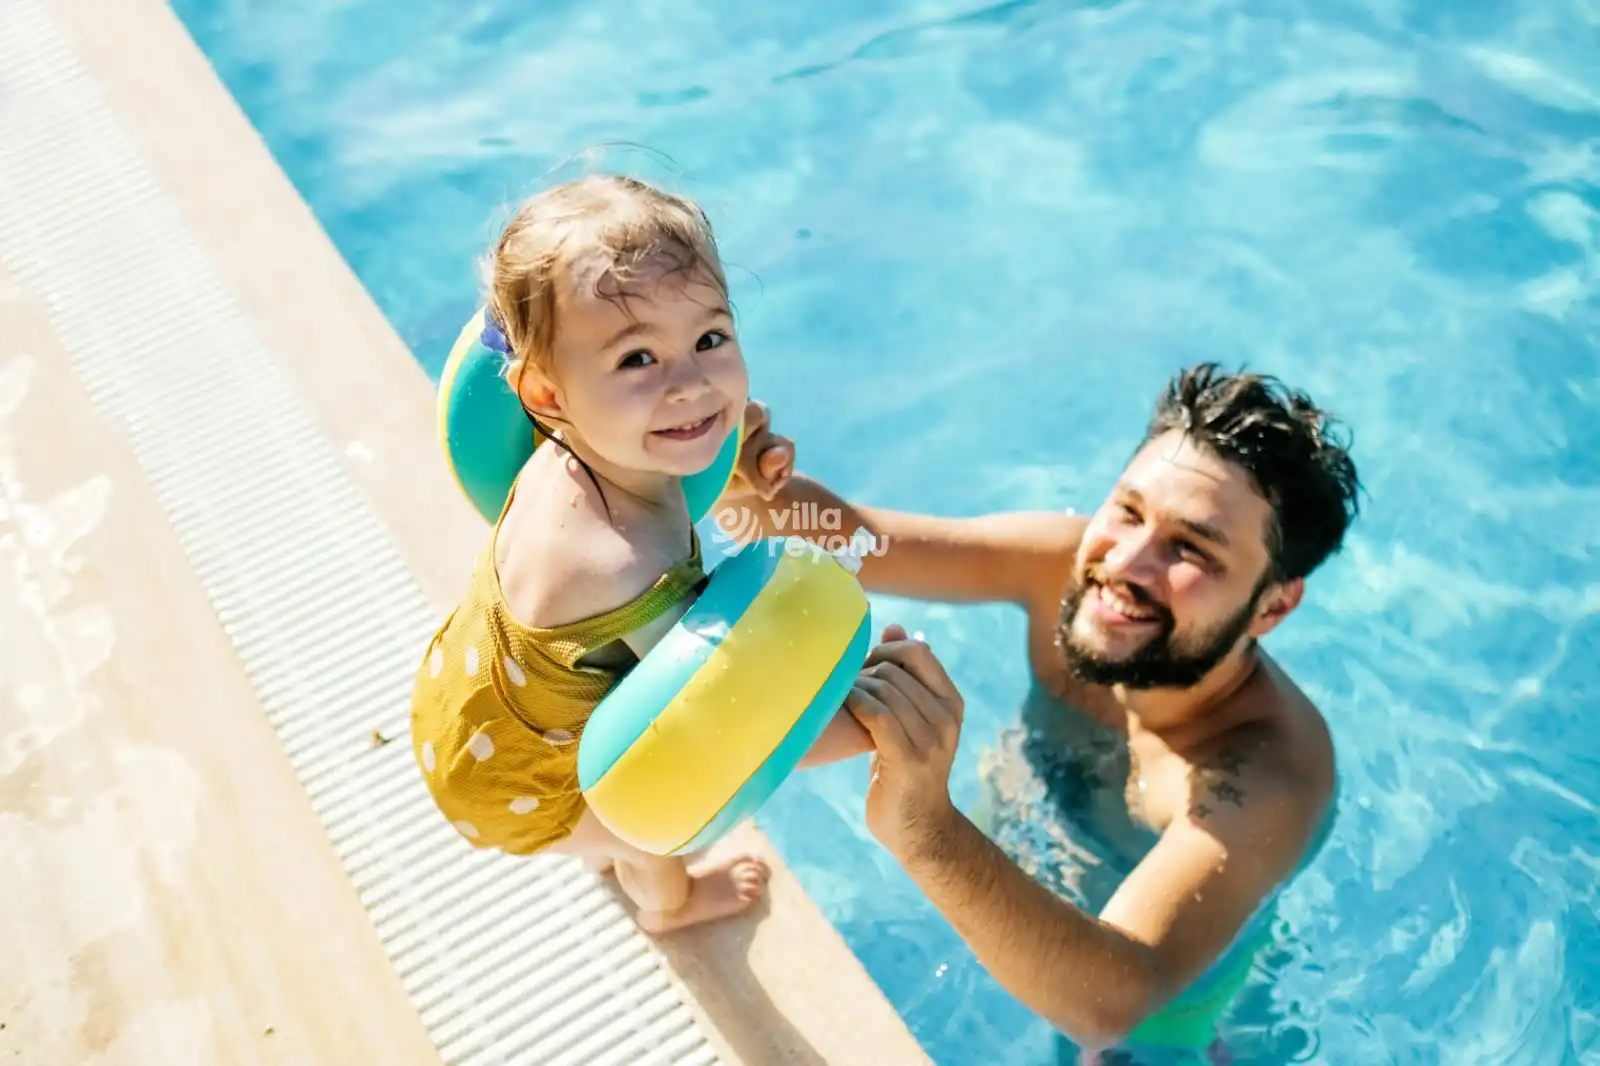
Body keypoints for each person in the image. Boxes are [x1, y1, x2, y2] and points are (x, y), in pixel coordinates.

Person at [734, 364, 1361, 1062]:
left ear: (1274, 605)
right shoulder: (1063, 566)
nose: (1125, 563)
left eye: (1190, 549)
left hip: (1157, 1009)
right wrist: (750, 493)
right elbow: (857, 539)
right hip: (1037, 872)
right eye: (1127, 510)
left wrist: (925, 827)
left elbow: (1113, 1001)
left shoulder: (1263, 771)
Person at [408, 174, 868, 936]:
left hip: (460, 710)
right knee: (645, 833)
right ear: (548, 393)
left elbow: (675, 446)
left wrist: (740, 461)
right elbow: (717, 723)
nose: (690, 385)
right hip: (524, 787)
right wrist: (864, 716)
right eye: (636, 361)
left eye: (710, 340)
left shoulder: (559, 449)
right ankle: (670, 909)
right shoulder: (623, 563)